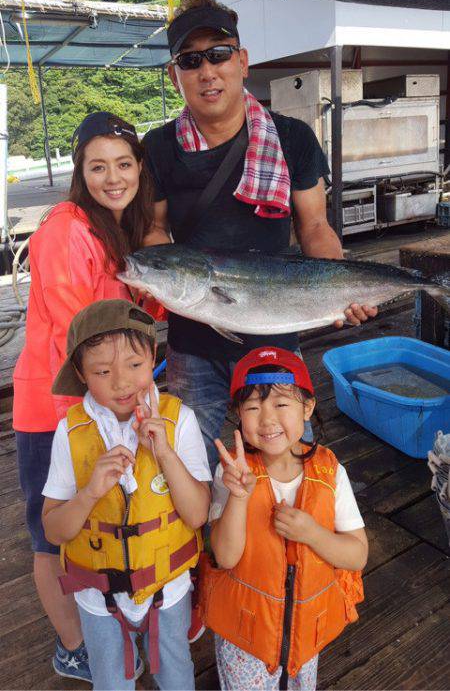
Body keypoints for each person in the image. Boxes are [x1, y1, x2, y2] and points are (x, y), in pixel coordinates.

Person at [142, 0, 378, 476]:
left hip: (276, 336)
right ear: (175, 75)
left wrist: (344, 288)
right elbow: (154, 228)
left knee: (288, 463)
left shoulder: (291, 138)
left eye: (219, 54)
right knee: (194, 465)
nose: (207, 71)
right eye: (190, 60)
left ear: (242, 61)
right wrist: (157, 275)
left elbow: (313, 226)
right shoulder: (159, 147)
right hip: (191, 342)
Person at [13, 112, 154, 683]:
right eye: (98, 166)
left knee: (95, 521)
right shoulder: (67, 230)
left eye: (123, 164)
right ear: (80, 173)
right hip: (53, 412)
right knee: (52, 533)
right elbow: (85, 332)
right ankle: (75, 647)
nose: (113, 177)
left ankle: (106, 628)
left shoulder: (117, 231)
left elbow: (139, 316)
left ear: (140, 169)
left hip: (102, 404)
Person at [42, 299, 211, 691]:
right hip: (97, 599)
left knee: (176, 676)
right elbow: (54, 531)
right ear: (81, 374)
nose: (121, 382)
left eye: (135, 366)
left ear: (153, 356)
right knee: (111, 682)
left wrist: (164, 452)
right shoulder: (70, 433)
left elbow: (198, 514)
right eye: (102, 371)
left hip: (167, 592)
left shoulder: (179, 420)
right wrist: (88, 494)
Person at [202, 346, 368, 690]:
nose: (267, 419)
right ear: (237, 413)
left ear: (307, 407)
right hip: (245, 640)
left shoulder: (330, 471)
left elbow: (357, 555)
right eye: (252, 407)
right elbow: (226, 557)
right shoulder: (231, 472)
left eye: (281, 404)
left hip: (305, 639)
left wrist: (311, 533)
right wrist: (238, 497)